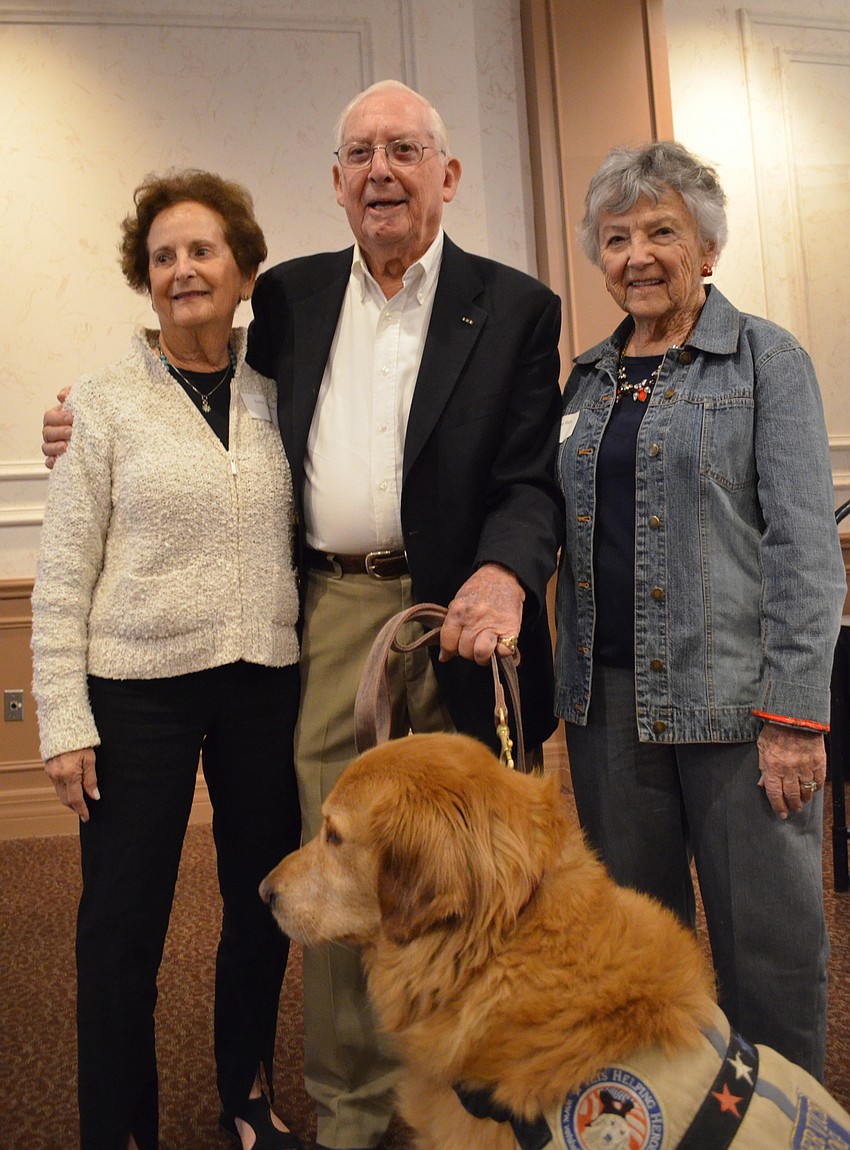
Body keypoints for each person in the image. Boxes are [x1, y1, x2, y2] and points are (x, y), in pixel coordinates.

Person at [41, 82, 564, 1150]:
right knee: (332, 860)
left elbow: (528, 475)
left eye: (405, 150)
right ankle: (352, 1108)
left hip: (455, 616)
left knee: (475, 864)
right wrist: (72, 415)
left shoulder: (513, 305)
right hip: (324, 617)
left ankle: (479, 1094)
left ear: (445, 174)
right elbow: (172, 385)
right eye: (359, 153)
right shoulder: (292, 300)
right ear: (334, 183)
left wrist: (508, 572)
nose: (381, 170)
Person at [554, 140, 846, 1080]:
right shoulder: (587, 381)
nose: (637, 254)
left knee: (770, 957)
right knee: (639, 960)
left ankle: (789, 1128)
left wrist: (797, 716)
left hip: (737, 712)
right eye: (617, 236)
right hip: (607, 718)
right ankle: (663, 1124)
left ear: (707, 250)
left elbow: (806, 547)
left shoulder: (767, 359)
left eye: (662, 232)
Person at [32, 171, 303, 1150]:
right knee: (122, 926)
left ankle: (246, 1096)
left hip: (267, 678)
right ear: (143, 280)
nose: (183, 270)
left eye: (202, 252)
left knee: (261, 902)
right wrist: (62, 720)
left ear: (243, 270)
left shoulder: (284, 391)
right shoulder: (101, 402)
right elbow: (62, 576)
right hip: (133, 691)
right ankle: (119, 1130)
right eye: (162, 258)